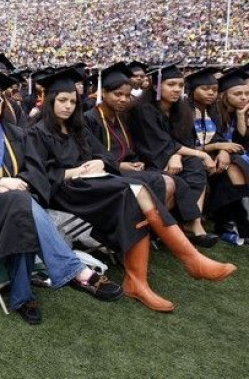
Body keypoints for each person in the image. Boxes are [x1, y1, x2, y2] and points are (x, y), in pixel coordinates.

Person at [29, 67, 236, 313]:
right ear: (51, 100)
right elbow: (39, 176)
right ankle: (185, 261)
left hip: (94, 183)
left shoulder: (78, 128)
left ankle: (144, 278)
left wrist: (99, 162)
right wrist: (76, 171)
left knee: (137, 191)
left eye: (73, 101)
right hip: (67, 191)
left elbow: (104, 156)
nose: (68, 106)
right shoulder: (36, 132)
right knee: (134, 191)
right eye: (62, 100)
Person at [0, 68, 122, 324]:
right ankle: (74, 271)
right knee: (21, 204)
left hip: (18, 206)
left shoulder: (19, 134)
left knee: (20, 207)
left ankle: (22, 297)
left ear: (4, 102)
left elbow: (37, 172)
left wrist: (17, 185)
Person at [83, 63, 202, 229]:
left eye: (127, 95)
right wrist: (118, 164)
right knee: (165, 182)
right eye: (118, 94)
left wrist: (136, 161)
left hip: (129, 168)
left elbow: (131, 147)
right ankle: (141, 229)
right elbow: (91, 153)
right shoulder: (90, 119)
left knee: (176, 181)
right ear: (103, 92)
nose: (123, 99)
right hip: (107, 171)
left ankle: (173, 226)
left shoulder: (121, 117)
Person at [127, 64, 219, 247]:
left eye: (180, 85)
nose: (177, 89)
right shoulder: (144, 109)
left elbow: (184, 141)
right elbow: (155, 143)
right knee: (192, 164)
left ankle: (194, 225)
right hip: (148, 158)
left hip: (169, 155)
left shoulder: (181, 110)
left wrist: (177, 154)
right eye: (171, 84)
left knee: (194, 166)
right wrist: (182, 154)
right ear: (156, 86)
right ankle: (187, 224)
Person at [189, 68, 249, 238]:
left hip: (219, 156)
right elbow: (193, 142)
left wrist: (240, 117)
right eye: (237, 94)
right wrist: (221, 148)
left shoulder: (228, 113)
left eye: (246, 93)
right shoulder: (204, 113)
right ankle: (231, 224)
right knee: (235, 165)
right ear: (224, 95)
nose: (243, 97)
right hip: (198, 157)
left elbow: (240, 143)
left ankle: (234, 223)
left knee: (237, 162)